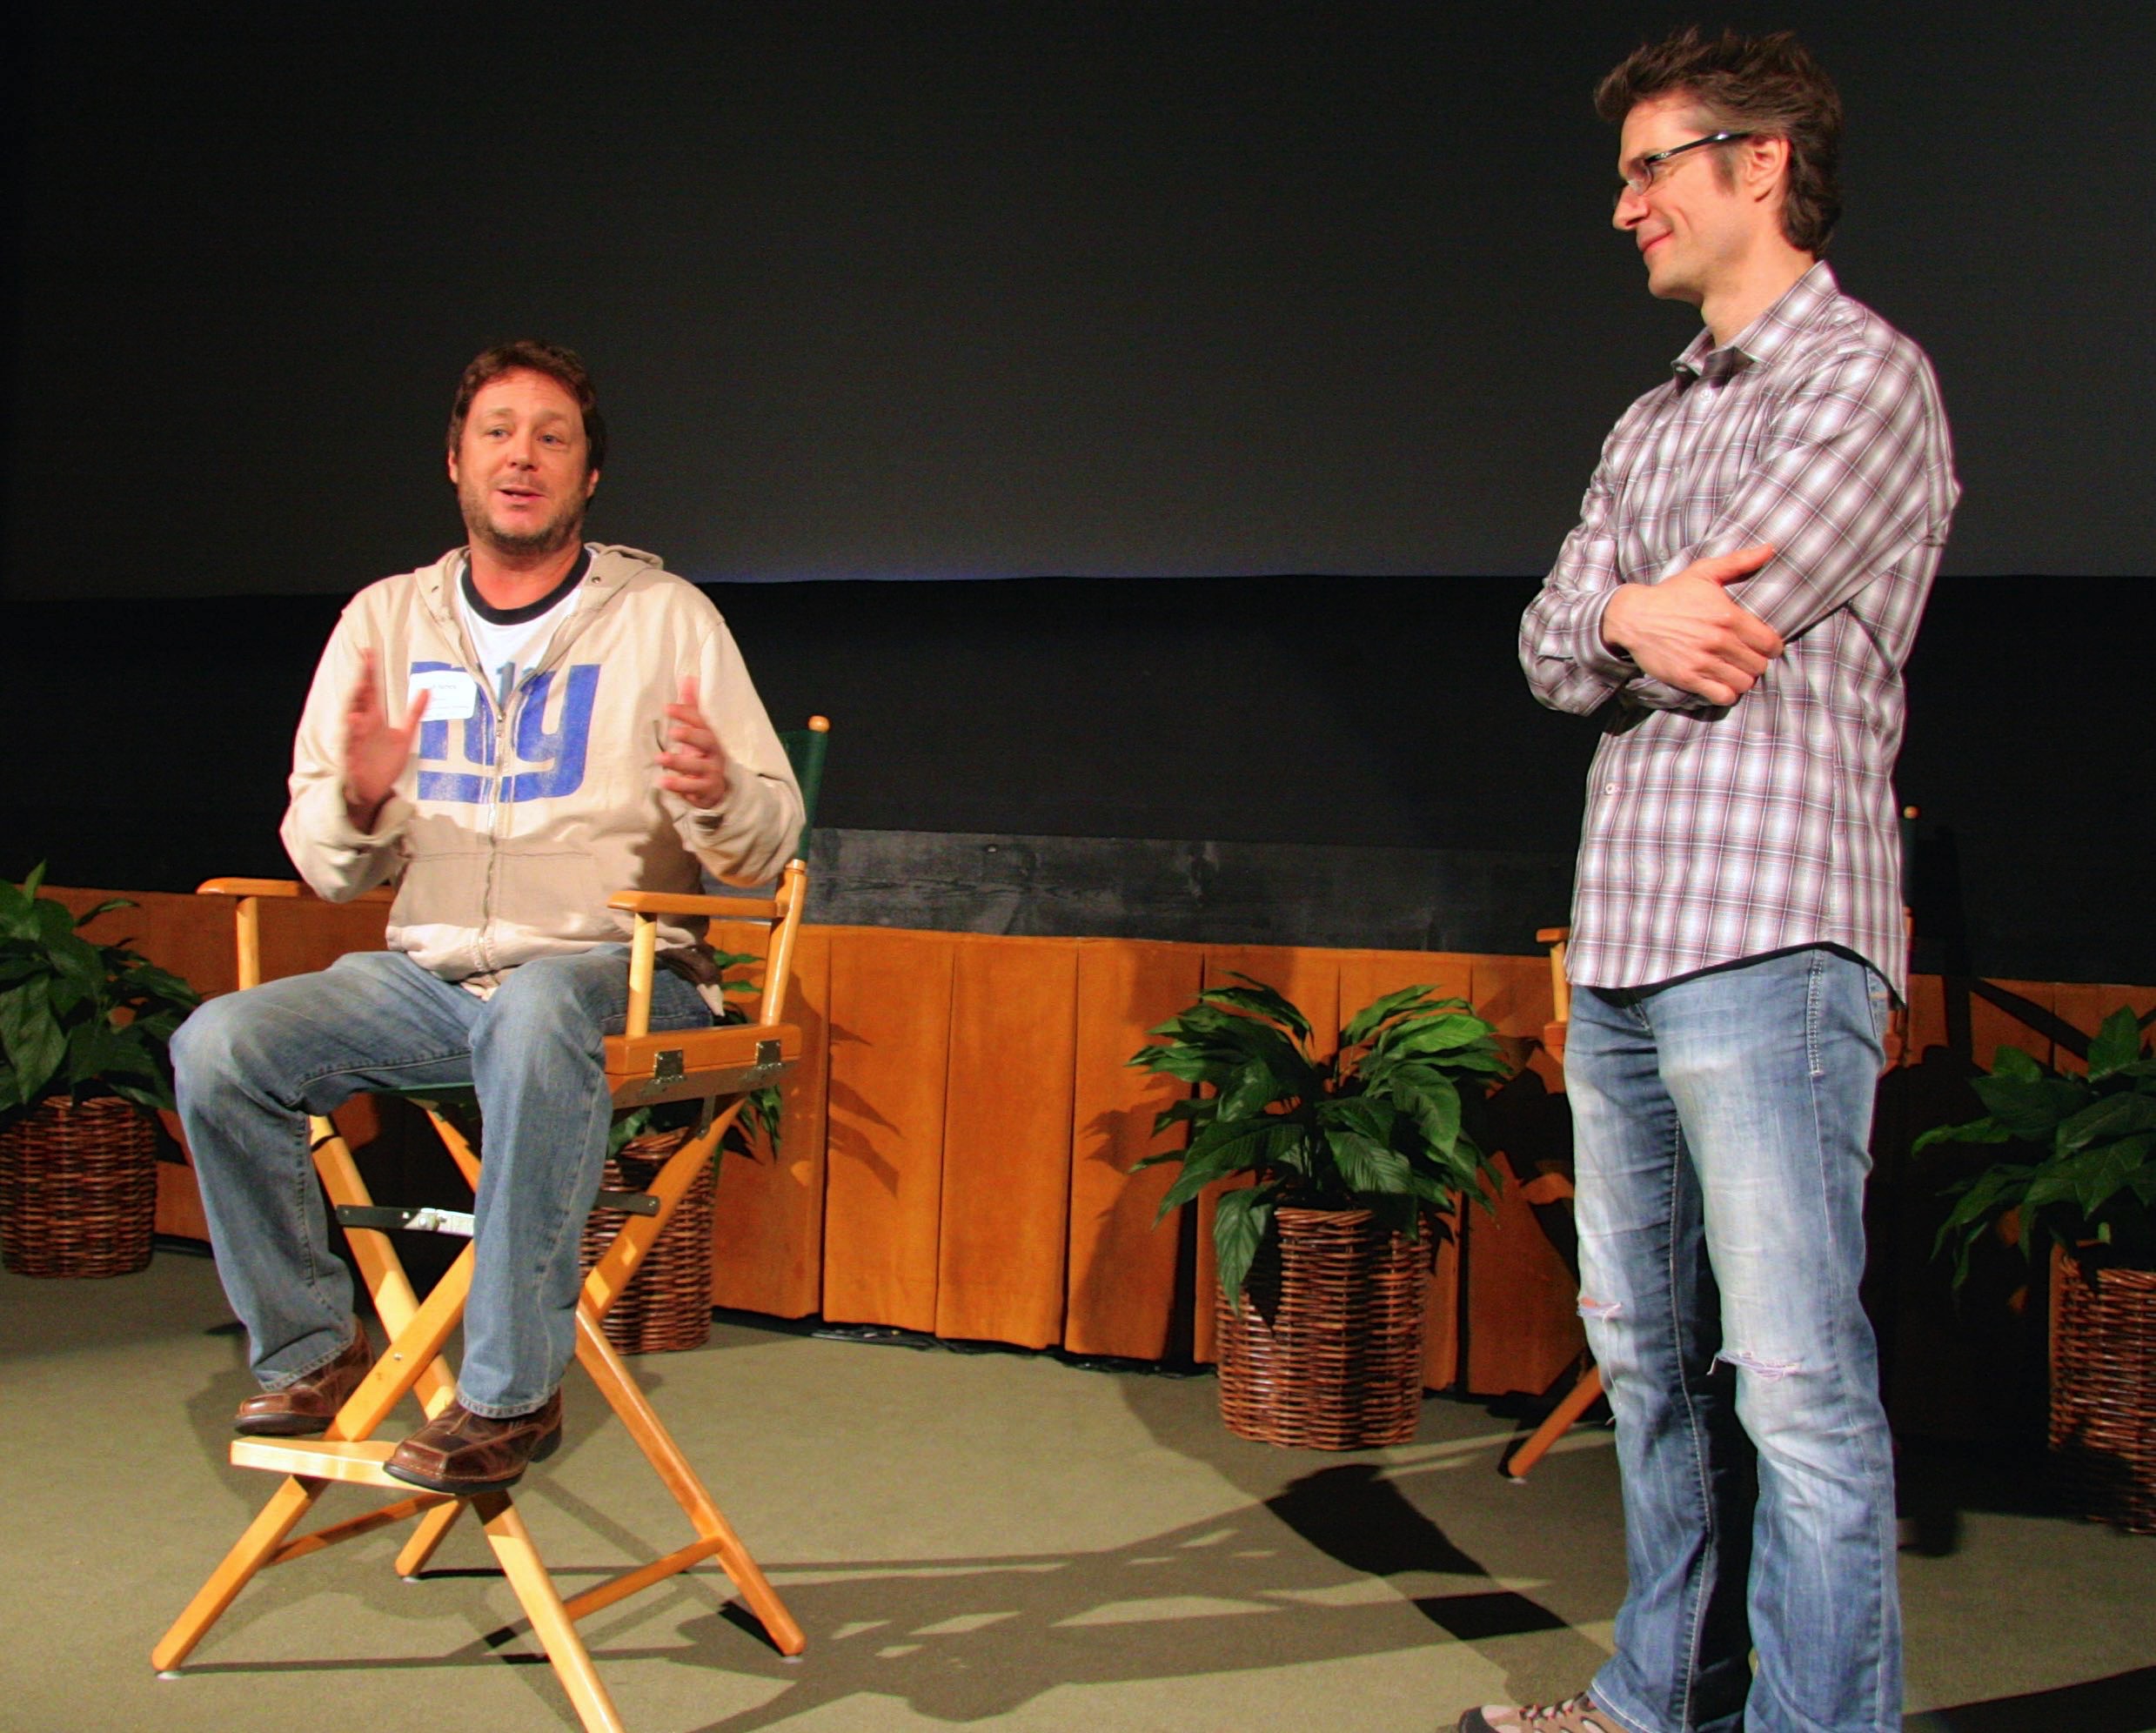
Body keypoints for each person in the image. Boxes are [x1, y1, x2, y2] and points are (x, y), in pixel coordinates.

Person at [1457, 30, 1958, 1733]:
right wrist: (1619, 609)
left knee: (1795, 1377)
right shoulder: (1648, 416)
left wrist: (1633, 613)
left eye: (1651, 169)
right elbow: (1551, 645)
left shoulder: (1867, 379)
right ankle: (1658, 1702)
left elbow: (1728, 626)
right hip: (1623, 940)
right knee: (1649, 1361)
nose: (1625, 209)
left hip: (1773, 937)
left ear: (1760, 162)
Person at [172, 340, 802, 1495]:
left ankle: (509, 1393)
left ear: (589, 475)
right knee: (221, 1045)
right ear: (455, 462)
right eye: (498, 433)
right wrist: (361, 798)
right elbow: (326, 867)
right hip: (432, 979)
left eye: (553, 437)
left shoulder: (666, 619)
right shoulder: (383, 621)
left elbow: (765, 850)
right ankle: (309, 1349)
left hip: (618, 975)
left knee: (534, 1009)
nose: (523, 455)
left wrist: (719, 797)